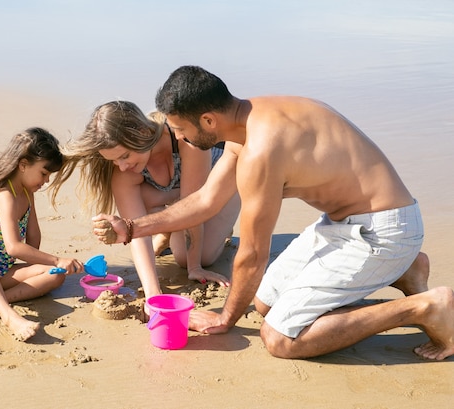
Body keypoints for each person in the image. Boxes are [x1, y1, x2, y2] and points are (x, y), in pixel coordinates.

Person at [93, 65, 454, 361]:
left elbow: (252, 254)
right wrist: (129, 228)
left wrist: (225, 319)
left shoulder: (261, 151)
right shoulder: (248, 119)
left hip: (382, 232)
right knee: (265, 303)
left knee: (281, 338)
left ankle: (424, 307)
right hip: (343, 224)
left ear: (207, 120)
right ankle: (406, 270)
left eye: (180, 129)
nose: (178, 137)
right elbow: (205, 201)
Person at [49, 100, 240, 304]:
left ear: (142, 132)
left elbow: (196, 204)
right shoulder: (123, 172)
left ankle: (203, 230)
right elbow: (135, 230)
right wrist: (153, 294)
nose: (122, 166)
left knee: (198, 258)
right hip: (181, 197)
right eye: (114, 161)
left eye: (124, 156)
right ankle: (169, 225)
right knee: (159, 208)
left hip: (221, 189)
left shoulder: (184, 139)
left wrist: (195, 267)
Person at [0, 127, 84, 341]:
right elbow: (14, 247)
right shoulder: (4, 196)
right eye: (44, 173)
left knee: (56, 274)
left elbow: (33, 239)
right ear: (23, 164)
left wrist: (52, 265)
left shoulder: (26, 193)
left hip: (3, 271)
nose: (46, 181)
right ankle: (9, 316)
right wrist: (58, 259)